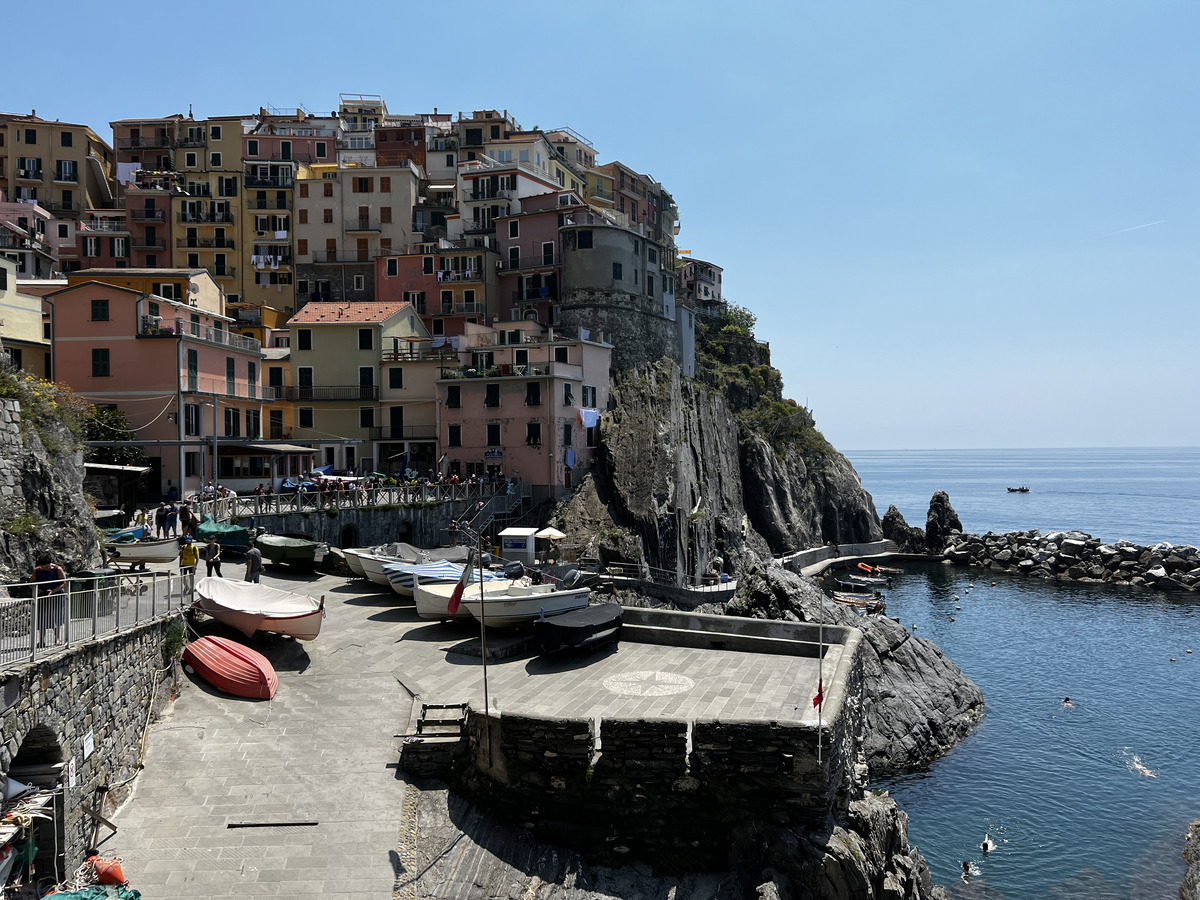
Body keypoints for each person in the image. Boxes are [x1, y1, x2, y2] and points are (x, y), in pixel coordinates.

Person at [33, 553, 67, 647]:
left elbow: (63, 583)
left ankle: (57, 639)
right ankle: (41, 641)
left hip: (56, 596)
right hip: (43, 597)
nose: (45, 569)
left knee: (56, 617)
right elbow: (31, 583)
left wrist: (53, 591)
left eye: (47, 567)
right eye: (43, 567)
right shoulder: (37, 570)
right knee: (41, 618)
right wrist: (37, 589)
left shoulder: (57, 569)